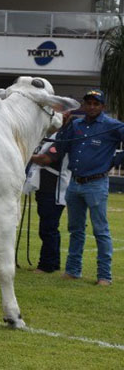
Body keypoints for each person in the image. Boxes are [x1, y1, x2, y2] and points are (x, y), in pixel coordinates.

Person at [31, 89, 124, 286]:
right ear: (84, 105)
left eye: (95, 104)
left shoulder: (112, 125)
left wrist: (114, 160)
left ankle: (104, 276)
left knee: (100, 230)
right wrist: (61, 128)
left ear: (103, 107)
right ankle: (73, 270)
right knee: (75, 229)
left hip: (96, 184)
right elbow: (61, 146)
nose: (91, 107)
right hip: (74, 184)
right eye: (88, 103)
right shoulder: (76, 124)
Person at [25, 112, 72, 274]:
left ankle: (46, 265)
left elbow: (46, 159)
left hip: (53, 189)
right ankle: (53, 263)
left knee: (48, 228)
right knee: (49, 226)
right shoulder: (53, 134)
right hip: (45, 188)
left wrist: (25, 154)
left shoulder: (62, 137)